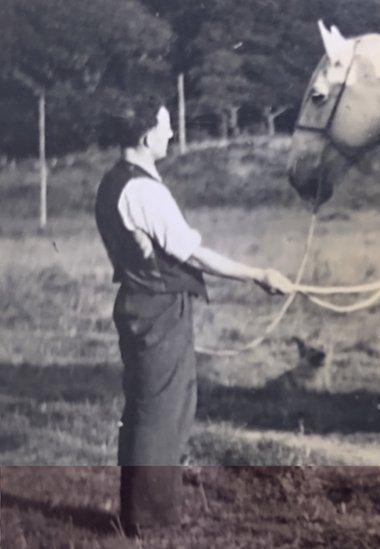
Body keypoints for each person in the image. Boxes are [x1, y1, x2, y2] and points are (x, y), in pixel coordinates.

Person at [94, 94, 295, 537]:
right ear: (147, 136)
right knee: (162, 412)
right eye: (166, 126)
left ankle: (138, 517)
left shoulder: (114, 181)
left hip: (140, 304)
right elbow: (193, 254)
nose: (171, 133)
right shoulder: (144, 189)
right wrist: (258, 273)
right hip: (158, 308)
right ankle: (151, 523)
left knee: (149, 408)